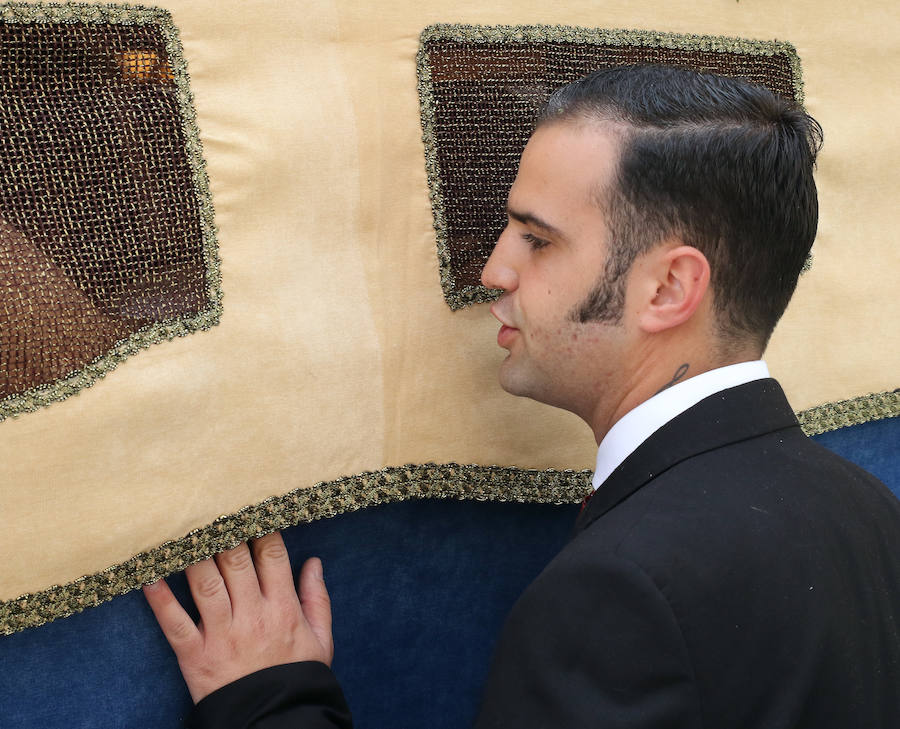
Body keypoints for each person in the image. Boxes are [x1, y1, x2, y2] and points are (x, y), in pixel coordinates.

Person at [144, 65, 900, 728]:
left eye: (537, 240)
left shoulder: (619, 591)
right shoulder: (869, 510)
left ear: (670, 287)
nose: (494, 271)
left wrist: (271, 702)